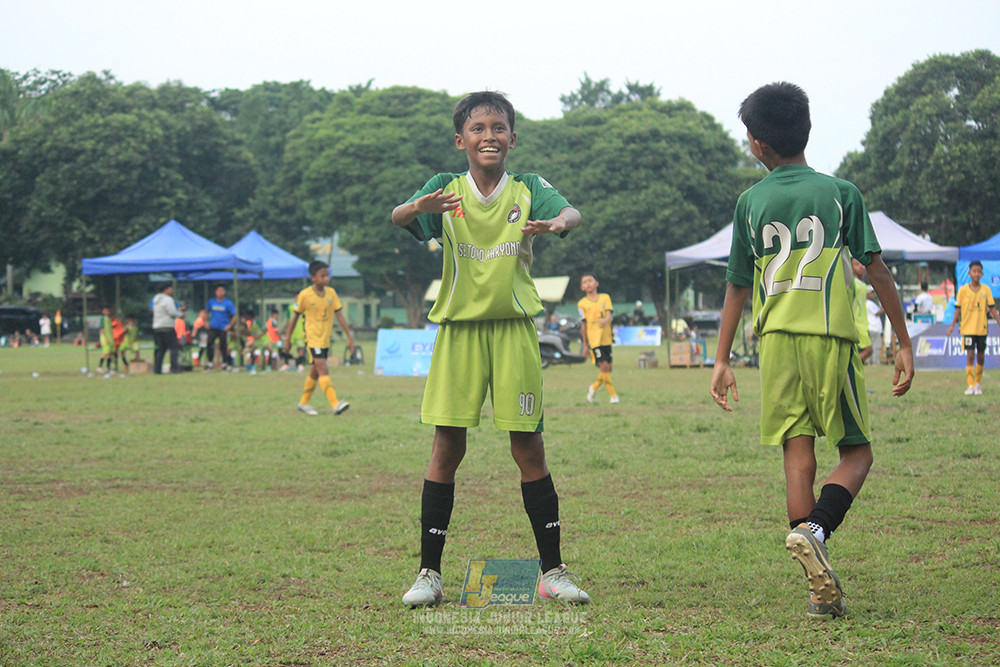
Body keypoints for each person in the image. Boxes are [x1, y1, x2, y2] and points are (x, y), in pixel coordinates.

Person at [709, 82, 914, 620]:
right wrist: (902, 341)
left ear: (756, 144)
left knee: (798, 457)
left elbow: (735, 287)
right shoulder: (841, 192)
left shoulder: (749, 203)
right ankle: (817, 532)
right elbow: (875, 270)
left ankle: (816, 589)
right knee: (857, 453)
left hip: (773, 344)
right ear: (808, 129)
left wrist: (722, 358)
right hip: (829, 341)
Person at [391, 91, 589, 608]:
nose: (489, 136)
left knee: (528, 448)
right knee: (446, 447)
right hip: (459, 332)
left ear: (512, 138)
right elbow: (398, 216)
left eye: (498, 127)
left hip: (515, 331)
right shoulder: (444, 190)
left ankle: (553, 571)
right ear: (461, 140)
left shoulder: (529, 189)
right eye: (477, 128)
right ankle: (428, 574)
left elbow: (572, 213)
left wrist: (558, 223)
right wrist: (419, 207)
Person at [283, 261, 354, 415]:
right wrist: (287, 338)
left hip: (325, 339)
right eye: (322, 276)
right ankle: (335, 404)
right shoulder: (305, 295)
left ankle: (303, 403)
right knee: (323, 368)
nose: (326, 279)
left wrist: (349, 337)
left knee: (315, 371)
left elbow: (340, 315)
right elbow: (294, 318)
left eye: (327, 275)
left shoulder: (331, 293)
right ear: (313, 277)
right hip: (312, 338)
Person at [946, 260, 1000, 395]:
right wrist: (952, 326)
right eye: (974, 271)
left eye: (979, 272)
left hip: (981, 328)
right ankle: (970, 385)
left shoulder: (986, 290)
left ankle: (977, 384)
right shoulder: (963, 290)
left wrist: (999, 321)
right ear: (969, 273)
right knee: (970, 355)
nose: (976, 274)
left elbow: (992, 308)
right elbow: (957, 310)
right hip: (968, 329)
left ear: (982, 274)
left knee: (981, 356)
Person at [578, 274, 619, 404]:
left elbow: (609, 314)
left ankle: (593, 388)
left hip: (606, 338)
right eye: (585, 282)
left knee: (608, 369)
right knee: (604, 367)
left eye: (590, 280)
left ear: (597, 283)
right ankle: (613, 396)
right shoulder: (582, 304)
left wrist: (605, 321)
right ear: (582, 287)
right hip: (594, 340)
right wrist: (585, 345)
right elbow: (583, 325)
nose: (588, 283)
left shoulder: (605, 297)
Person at [152, 282, 184, 374]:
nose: (172, 290)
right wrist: (180, 314)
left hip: (157, 327)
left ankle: (157, 369)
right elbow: (172, 313)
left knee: (161, 349)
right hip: (167, 327)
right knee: (174, 348)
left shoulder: (156, 299)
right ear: (166, 290)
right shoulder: (168, 300)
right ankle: (174, 368)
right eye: (170, 288)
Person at [205, 284, 236, 370]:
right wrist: (206, 322)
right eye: (218, 291)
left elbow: (234, 315)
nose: (220, 293)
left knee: (223, 345)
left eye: (222, 291)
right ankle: (210, 363)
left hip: (223, 327)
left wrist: (230, 325)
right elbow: (206, 312)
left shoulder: (228, 303)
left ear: (224, 292)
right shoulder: (211, 301)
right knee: (209, 343)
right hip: (213, 326)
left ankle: (224, 363)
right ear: (216, 292)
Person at [850, 259, 873, 363]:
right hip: (857, 324)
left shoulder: (863, 285)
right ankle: (851, 366)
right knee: (869, 350)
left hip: (864, 324)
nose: (861, 267)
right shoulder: (853, 284)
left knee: (859, 350)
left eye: (862, 264)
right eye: (856, 264)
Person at [866, 286, 884, 365]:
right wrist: (885, 307)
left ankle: (870, 362)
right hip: (874, 328)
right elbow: (877, 312)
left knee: (871, 346)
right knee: (876, 347)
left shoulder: (867, 303)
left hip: (871, 327)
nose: (873, 295)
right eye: (871, 293)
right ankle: (875, 362)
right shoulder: (869, 303)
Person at [98, 306, 118, 375]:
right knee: (105, 353)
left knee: (110, 353)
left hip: (110, 338)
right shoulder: (103, 319)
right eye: (106, 310)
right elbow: (102, 329)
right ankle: (99, 367)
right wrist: (106, 338)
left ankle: (108, 368)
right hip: (105, 338)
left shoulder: (109, 319)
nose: (108, 312)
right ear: (103, 311)